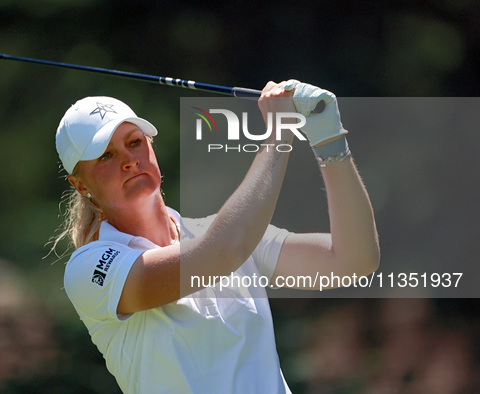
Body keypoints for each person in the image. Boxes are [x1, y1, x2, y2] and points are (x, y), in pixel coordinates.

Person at [53, 80, 379, 393]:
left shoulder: (221, 233)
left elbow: (354, 260)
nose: (128, 160)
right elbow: (224, 251)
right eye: (106, 156)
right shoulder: (90, 268)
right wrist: (278, 135)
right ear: (80, 185)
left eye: (134, 142)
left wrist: (329, 138)